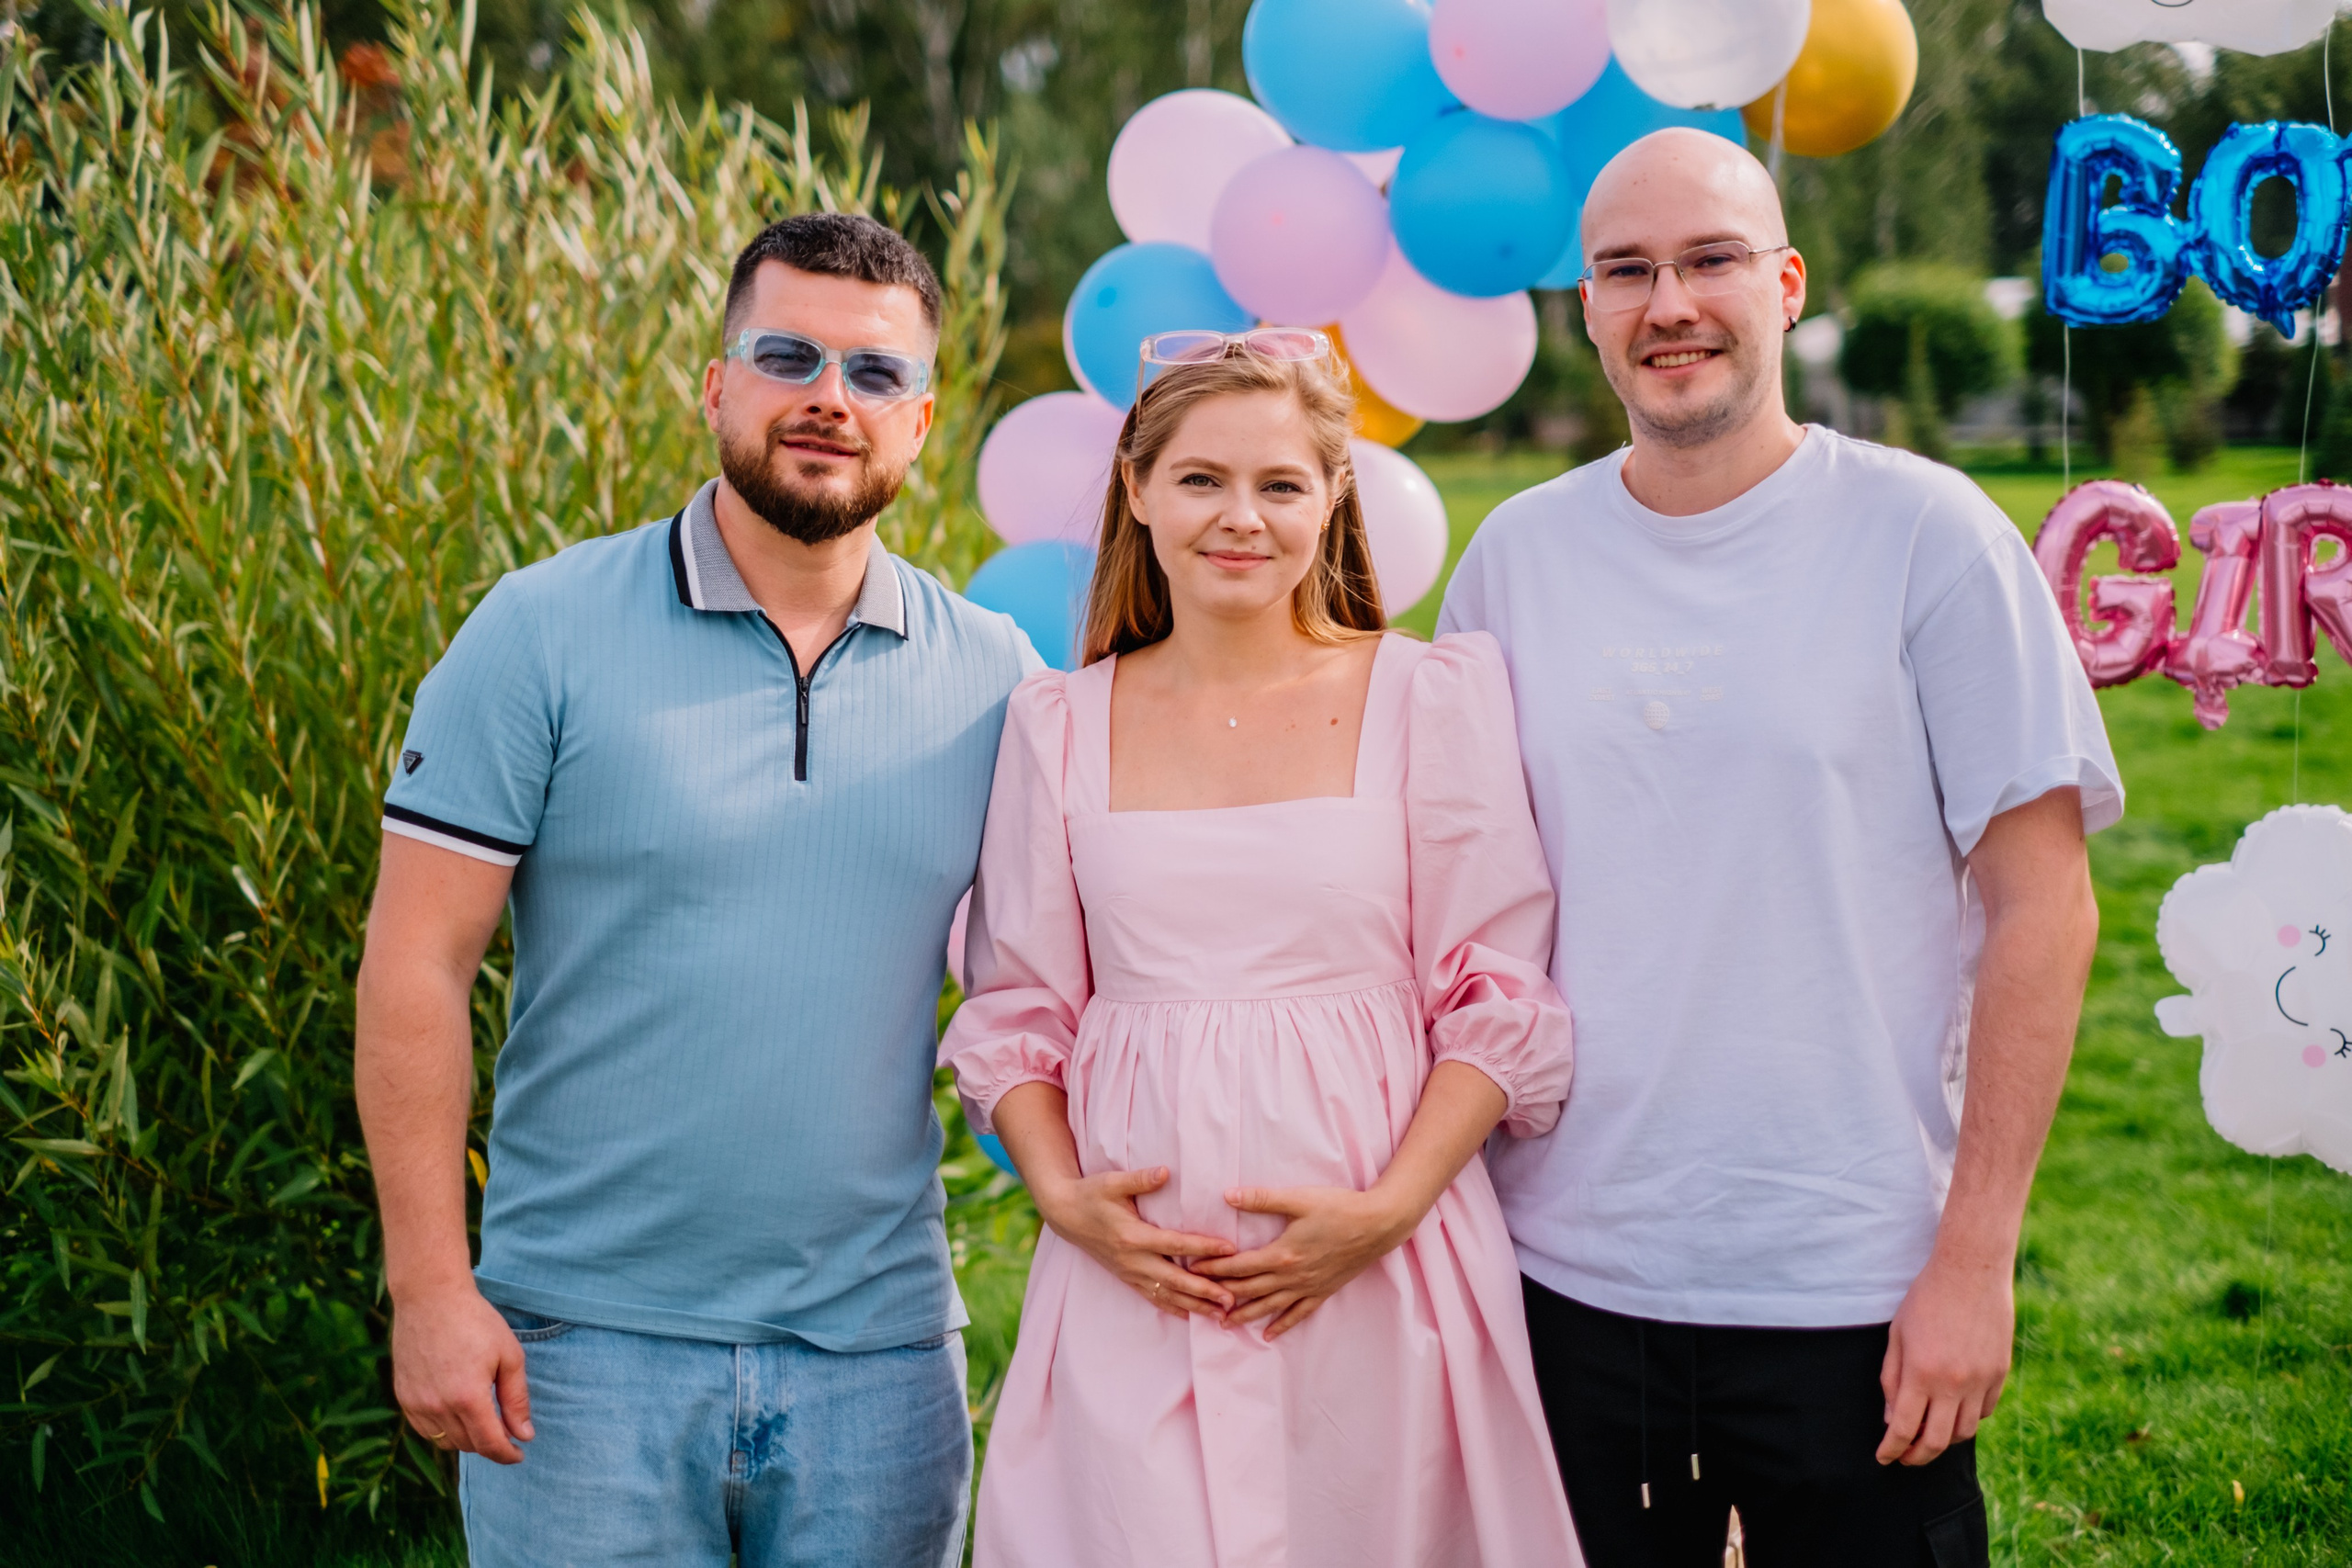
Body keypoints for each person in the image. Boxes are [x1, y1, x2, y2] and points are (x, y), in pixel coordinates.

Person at [1438, 129, 2120, 1567]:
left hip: (1852, 1283)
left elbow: (2044, 907)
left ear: (1789, 284)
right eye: (1628, 271)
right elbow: (1463, 908)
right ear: (1588, 312)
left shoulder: (1930, 535)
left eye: (1709, 261)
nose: (1669, 302)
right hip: (1566, 1273)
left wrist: (1975, 1260)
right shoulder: (1512, 558)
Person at [353, 212, 1039, 1567]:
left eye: (876, 374)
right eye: (788, 357)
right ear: (719, 385)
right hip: (579, 1352)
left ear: (923, 422)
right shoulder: (540, 629)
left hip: (880, 1356)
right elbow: (415, 964)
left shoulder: (1000, 677)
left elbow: (1068, 986)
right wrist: (430, 1288)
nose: (830, 400)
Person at [940, 331, 1585, 1568]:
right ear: (1136, 487)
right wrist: (1067, 1199)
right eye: (1201, 480)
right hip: (1142, 1279)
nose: (1241, 518)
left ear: (1333, 497)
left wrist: (1386, 1212)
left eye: (1281, 484)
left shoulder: (1428, 697)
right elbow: (1018, 1008)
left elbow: (1494, 996)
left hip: (1380, 1267)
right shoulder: (1059, 725)